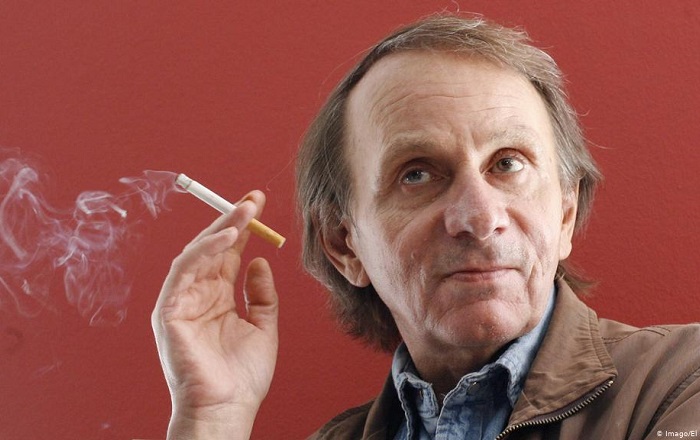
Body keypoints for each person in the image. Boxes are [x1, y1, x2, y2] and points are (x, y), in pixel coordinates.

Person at [151, 14, 700, 440]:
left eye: (507, 163)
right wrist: (212, 418)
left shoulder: (682, 384)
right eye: (416, 174)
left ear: (564, 214)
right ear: (345, 246)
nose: (480, 218)